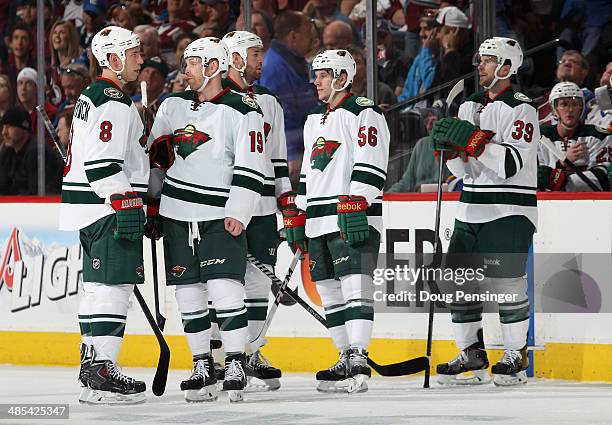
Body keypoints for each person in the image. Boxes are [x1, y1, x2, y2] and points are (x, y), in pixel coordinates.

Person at [146, 37, 266, 403]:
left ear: (213, 67)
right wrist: (152, 203)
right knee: (188, 292)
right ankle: (202, 363)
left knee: (225, 287)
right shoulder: (171, 107)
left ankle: (234, 360)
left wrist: (239, 211)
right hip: (177, 215)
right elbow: (155, 160)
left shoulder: (243, 110)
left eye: (193, 64)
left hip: (219, 214)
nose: (186, 71)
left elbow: (252, 166)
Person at [431, 37, 539, 386]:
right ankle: (471, 355)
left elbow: (511, 164)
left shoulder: (522, 108)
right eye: (480, 60)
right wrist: (448, 152)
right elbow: (464, 173)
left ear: (507, 67)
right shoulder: (469, 106)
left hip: (509, 207)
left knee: (507, 283)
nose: (481, 65)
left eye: (489, 61)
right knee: (458, 283)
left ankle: (515, 355)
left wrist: (473, 141)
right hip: (470, 207)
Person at [288, 49, 389, 393]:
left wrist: (358, 201)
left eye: (323, 75)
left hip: (351, 214)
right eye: (315, 75)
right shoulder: (314, 118)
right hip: (317, 217)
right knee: (329, 290)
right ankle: (345, 355)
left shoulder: (364, 112)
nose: (316, 81)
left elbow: (372, 162)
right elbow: (307, 172)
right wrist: (298, 212)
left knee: (355, 285)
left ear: (342, 78)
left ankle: (359, 355)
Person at [58, 26, 149, 404]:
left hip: (88, 209)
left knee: (96, 290)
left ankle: (91, 365)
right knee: (113, 288)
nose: (140, 60)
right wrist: (125, 199)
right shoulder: (113, 101)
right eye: (133, 53)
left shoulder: (95, 96)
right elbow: (102, 165)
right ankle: (103, 370)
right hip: (107, 208)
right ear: (112, 59)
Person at [221, 30, 292, 390]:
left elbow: (278, 158)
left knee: (258, 282)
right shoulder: (214, 100)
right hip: (225, 204)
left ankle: (250, 351)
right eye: (253, 54)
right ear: (234, 58)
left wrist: (287, 198)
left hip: (262, 204)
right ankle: (221, 356)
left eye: (260, 53)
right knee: (220, 280)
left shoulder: (269, 102)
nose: (260, 60)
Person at [259, 11, 318, 188]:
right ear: (293, 37)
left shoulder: (292, 62)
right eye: (308, 34)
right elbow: (281, 116)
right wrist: (291, 154)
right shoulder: (276, 67)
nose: (312, 39)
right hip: (290, 157)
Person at [538, 82, 611, 192]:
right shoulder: (539, 137)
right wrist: (562, 163)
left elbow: (604, 177)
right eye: (564, 104)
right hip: (546, 206)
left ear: (581, 107)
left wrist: (559, 181)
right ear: (554, 109)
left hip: (587, 204)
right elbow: (532, 176)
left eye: (575, 104)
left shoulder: (599, 136)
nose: (570, 109)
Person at [0, 106, 63, 195]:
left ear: (24, 128)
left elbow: (35, 193)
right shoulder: (7, 151)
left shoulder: (36, 152)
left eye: (9, 127)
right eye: (3, 127)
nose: (4, 132)